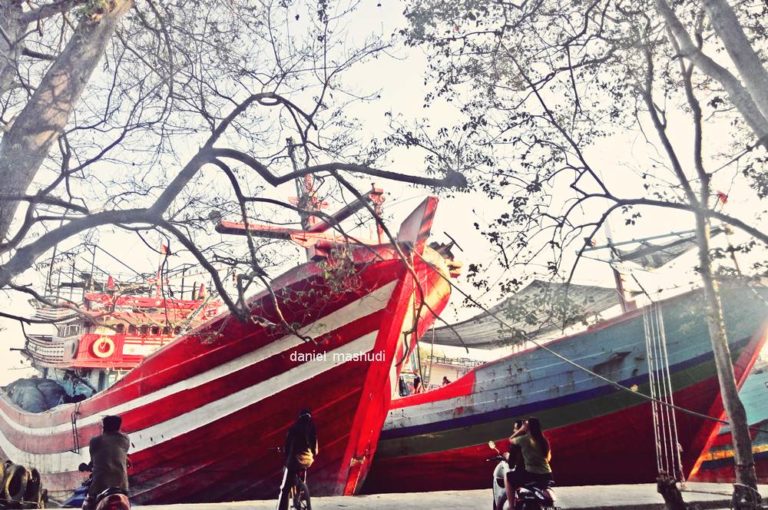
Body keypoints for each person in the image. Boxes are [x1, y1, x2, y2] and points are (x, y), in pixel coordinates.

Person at [83, 415, 130, 510]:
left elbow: (93, 460)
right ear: (118, 427)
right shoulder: (125, 440)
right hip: (121, 485)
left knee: (87, 505)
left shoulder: (95, 441)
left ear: (104, 428)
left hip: (100, 485)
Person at [505, 417, 553, 508]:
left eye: (525, 424)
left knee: (508, 477)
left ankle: (511, 506)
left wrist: (520, 430)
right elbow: (548, 458)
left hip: (532, 474)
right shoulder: (544, 440)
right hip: (548, 474)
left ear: (528, 427)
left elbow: (510, 439)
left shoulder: (524, 439)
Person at [277, 409, 318, 510]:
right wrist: (311, 455)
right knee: (303, 469)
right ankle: (301, 489)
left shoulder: (293, 428)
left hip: (294, 460)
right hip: (308, 460)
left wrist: (285, 456)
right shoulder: (312, 427)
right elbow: (315, 449)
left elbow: (287, 447)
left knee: (285, 489)